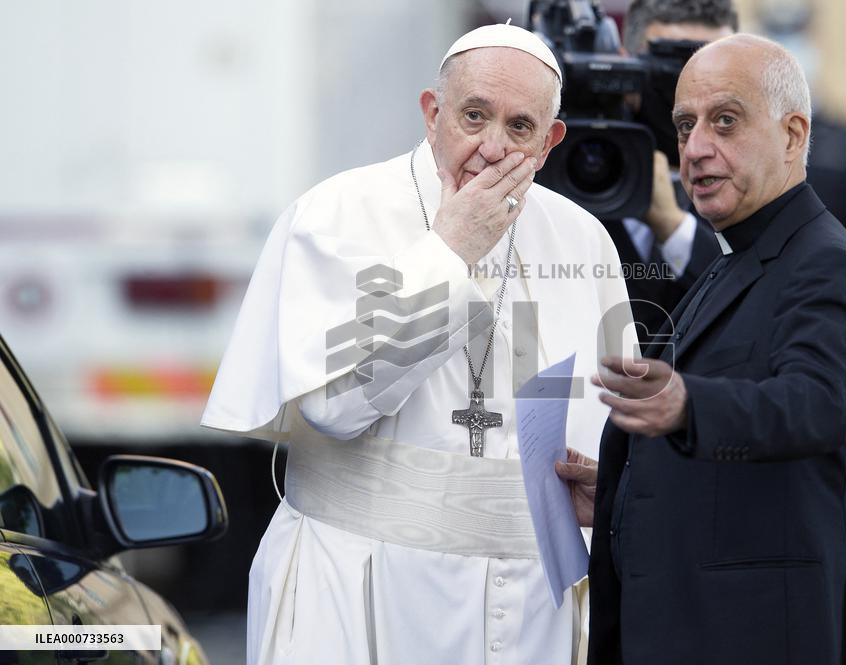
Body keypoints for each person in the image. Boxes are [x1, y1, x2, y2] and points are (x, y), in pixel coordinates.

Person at [202, 22, 636, 665]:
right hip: (361, 597)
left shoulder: (582, 240)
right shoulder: (338, 213)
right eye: (474, 116)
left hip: (530, 617)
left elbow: (604, 423)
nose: (492, 148)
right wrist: (449, 252)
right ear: (433, 114)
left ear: (550, 143)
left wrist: (611, 489)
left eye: (520, 128)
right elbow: (336, 405)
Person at [557, 34, 846, 664]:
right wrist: (627, 488)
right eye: (685, 126)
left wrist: (686, 405)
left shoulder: (824, 264)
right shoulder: (734, 258)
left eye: (726, 122)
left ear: (793, 135)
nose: (697, 149)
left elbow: (818, 405)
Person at [606, 0, 738, 349]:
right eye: (670, 70)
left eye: (716, 72)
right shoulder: (573, 163)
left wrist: (673, 227)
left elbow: (765, 299)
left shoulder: (763, 175)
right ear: (625, 65)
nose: (690, 93)